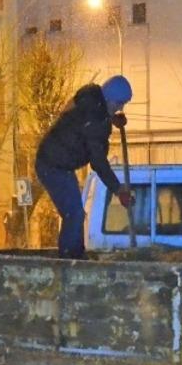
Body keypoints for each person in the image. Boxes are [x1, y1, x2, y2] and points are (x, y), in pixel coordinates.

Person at [34, 76, 134, 259]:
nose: (120, 108)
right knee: (74, 214)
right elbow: (98, 162)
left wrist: (111, 119)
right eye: (119, 103)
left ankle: (75, 256)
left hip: (55, 160)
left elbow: (83, 117)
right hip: (53, 165)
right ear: (109, 98)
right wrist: (118, 189)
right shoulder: (95, 122)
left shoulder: (91, 97)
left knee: (76, 213)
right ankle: (70, 261)